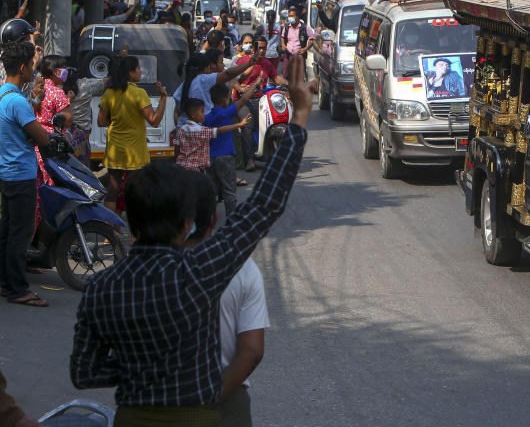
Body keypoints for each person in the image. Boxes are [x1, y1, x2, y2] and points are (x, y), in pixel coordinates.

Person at [69, 56, 314, 426]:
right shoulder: (198, 271)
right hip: (196, 416)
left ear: (129, 222)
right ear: (186, 225)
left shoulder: (101, 287)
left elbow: (84, 373)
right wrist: (298, 119)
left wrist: (141, 367)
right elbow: (264, 205)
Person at [179, 173, 268, 427]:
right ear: (215, 218)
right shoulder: (243, 268)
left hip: (155, 404)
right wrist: (209, 398)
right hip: (226, 400)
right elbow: (252, 351)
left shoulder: (147, 269)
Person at [0, 41, 50, 307]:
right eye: (31, 65)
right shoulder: (18, 102)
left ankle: (6, 284)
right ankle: (19, 289)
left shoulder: (2, 96)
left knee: (8, 232)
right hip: (21, 174)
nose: (33, 69)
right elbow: (42, 136)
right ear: (22, 67)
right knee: (20, 234)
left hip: (6, 173)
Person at [99, 55, 168, 212]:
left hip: (115, 147)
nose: (140, 71)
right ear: (130, 72)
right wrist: (163, 98)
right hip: (135, 150)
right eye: (138, 68)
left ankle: (109, 232)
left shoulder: (110, 92)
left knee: (112, 190)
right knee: (135, 191)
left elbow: (101, 122)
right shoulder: (139, 93)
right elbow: (154, 120)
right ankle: (134, 234)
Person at [32, 55, 74, 226]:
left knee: (37, 192)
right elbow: (69, 118)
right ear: (55, 71)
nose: (66, 72)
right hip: (51, 148)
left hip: (33, 147)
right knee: (52, 190)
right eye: (63, 69)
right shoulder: (57, 92)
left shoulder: (33, 90)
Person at [205, 82, 258, 213]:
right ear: (225, 99)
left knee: (213, 192)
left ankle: (209, 221)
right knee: (229, 191)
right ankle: (231, 221)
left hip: (210, 158)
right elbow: (244, 99)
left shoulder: (207, 117)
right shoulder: (226, 113)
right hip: (225, 157)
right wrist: (256, 83)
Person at [172, 49, 260, 126]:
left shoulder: (182, 86)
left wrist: (180, 128)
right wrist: (249, 63)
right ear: (205, 68)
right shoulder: (203, 80)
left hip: (184, 130)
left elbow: (176, 112)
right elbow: (228, 74)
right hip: (201, 130)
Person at [235, 37, 283, 171]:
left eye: (264, 48)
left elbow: (277, 78)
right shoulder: (243, 61)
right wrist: (240, 88)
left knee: (271, 121)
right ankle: (249, 159)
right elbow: (235, 78)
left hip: (261, 98)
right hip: (243, 100)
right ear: (253, 48)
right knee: (248, 125)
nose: (262, 51)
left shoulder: (267, 63)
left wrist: (292, 86)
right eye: (259, 48)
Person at [173, 97, 249, 174]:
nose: (204, 114)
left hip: (181, 167)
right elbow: (220, 130)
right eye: (202, 112)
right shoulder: (200, 130)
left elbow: (177, 150)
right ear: (194, 115)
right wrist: (239, 124)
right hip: (195, 170)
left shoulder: (181, 130)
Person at [280, 6, 316, 71]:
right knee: (285, 74)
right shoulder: (287, 27)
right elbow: (282, 37)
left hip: (299, 56)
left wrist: (305, 48)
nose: (290, 18)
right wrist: (283, 45)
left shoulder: (305, 28)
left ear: (297, 17)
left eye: (292, 16)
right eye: (289, 16)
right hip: (288, 55)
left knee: (299, 76)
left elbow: (312, 39)